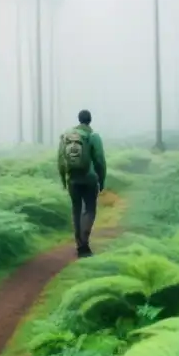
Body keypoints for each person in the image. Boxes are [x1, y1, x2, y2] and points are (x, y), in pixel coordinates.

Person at [57, 109, 107, 257]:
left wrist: (63, 179)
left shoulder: (67, 137)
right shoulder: (93, 136)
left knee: (76, 209)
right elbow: (99, 161)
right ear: (90, 120)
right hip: (90, 179)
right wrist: (101, 179)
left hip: (72, 178)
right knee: (90, 209)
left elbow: (60, 159)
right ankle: (84, 244)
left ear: (79, 120)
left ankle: (79, 243)